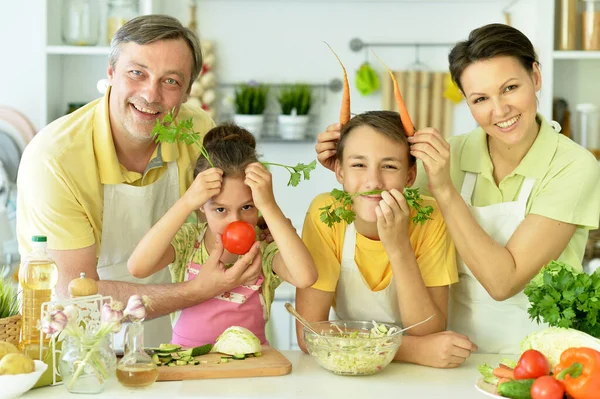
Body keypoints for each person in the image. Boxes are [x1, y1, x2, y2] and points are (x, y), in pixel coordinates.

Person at [315, 23, 600, 354]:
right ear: (466, 101)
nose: (500, 110)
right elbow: (380, 197)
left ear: (535, 77)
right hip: (449, 352)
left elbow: (503, 282)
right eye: (480, 98)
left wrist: (445, 190)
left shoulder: (572, 165)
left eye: (510, 88)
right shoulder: (449, 154)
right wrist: (346, 170)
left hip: (541, 356)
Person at [16, 15, 247, 347]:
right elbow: (76, 292)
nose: (151, 95)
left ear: (187, 92)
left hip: (169, 328)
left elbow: (215, 220)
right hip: (77, 340)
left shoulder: (196, 129)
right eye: (137, 73)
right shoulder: (54, 158)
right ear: (111, 73)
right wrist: (196, 291)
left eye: (170, 81)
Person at [297, 110, 477, 369]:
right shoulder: (327, 213)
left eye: (390, 166)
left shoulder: (430, 216)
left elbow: (428, 331)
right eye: (358, 165)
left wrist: (399, 245)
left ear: (410, 176)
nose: (374, 181)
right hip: (348, 365)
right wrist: (412, 350)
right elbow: (310, 333)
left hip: (415, 376)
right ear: (339, 170)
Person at [128, 123, 317, 346]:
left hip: (252, 367)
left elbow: (306, 277)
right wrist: (186, 201)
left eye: (247, 207)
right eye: (220, 210)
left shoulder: (264, 245)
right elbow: (138, 267)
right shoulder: (189, 240)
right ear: (201, 206)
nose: (235, 221)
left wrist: (270, 206)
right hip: (191, 365)